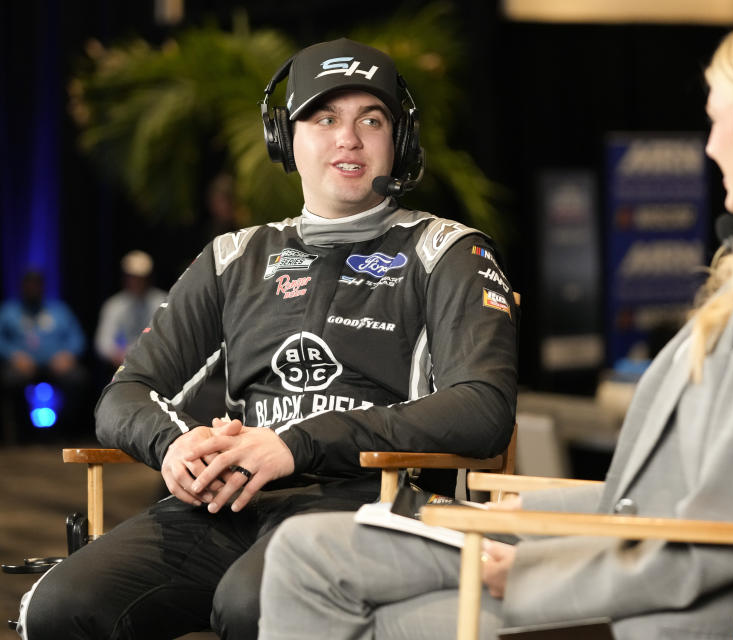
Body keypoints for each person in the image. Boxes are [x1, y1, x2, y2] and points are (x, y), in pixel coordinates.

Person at [256, 13, 733, 640]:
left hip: (667, 608)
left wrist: (523, 570)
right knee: (309, 550)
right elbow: (676, 498)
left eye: (722, 122)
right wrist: (534, 514)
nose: (713, 145)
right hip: (629, 557)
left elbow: (715, 534)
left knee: (329, 580)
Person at [17, 37, 517, 640]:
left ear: (399, 141)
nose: (348, 139)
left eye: (372, 119)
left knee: (253, 601)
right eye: (324, 118)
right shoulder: (235, 257)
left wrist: (297, 443)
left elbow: (483, 408)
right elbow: (124, 396)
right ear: (287, 139)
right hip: (229, 504)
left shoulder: (449, 253)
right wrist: (179, 448)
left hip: (373, 500)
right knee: (59, 607)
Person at [0, 269, 88, 441]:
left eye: (36, 285)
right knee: (9, 380)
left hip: (56, 364)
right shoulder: (9, 310)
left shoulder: (59, 310)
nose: (33, 289)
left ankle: (66, 432)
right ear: (22, 287)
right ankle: (20, 433)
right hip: (21, 365)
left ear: (43, 287)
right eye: (29, 285)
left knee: (78, 378)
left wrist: (68, 355)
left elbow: (78, 338)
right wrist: (13, 356)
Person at [94, 250, 167, 368]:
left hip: (158, 365)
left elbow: (171, 337)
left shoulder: (163, 301)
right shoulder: (114, 305)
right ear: (124, 278)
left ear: (149, 278)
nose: (136, 282)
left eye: (141, 277)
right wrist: (116, 354)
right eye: (132, 277)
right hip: (123, 367)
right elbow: (103, 343)